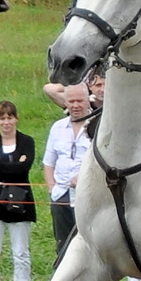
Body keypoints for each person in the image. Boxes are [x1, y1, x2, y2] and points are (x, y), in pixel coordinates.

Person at [0, 100, 38, 281]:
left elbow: (23, 170)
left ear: (16, 119)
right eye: (2, 118)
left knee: (21, 252)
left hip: (20, 203)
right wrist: (12, 165)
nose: (6, 122)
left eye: (9, 118)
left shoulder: (27, 142)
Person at [43, 83, 94, 253]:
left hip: (88, 197)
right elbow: (49, 162)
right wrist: (52, 189)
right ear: (65, 102)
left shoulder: (98, 127)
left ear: (88, 100)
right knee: (63, 246)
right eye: (71, 101)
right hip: (61, 196)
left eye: (80, 101)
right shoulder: (57, 128)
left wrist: (84, 178)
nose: (75, 105)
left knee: (89, 246)